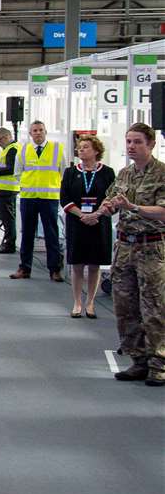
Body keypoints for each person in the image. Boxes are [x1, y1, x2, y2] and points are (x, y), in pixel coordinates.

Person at [98, 123, 165, 385]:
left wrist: (134, 207)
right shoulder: (125, 174)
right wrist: (104, 209)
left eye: (137, 142)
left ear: (150, 144)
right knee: (125, 307)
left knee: (154, 308)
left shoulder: (161, 174)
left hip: (152, 248)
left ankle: (158, 363)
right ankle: (137, 360)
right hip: (125, 248)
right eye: (128, 142)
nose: (131, 147)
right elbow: (112, 201)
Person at [61, 135, 115, 320]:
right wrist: (83, 215)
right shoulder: (70, 172)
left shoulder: (107, 172)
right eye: (79, 147)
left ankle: (90, 302)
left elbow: (112, 197)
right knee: (77, 264)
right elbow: (65, 198)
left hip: (99, 223)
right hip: (77, 222)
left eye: (85, 147)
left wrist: (96, 214)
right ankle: (77, 302)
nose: (81, 150)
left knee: (94, 264)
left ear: (96, 151)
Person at [10, 120, 65, 283]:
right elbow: (17, 172)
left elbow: (62, 172)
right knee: (27, 233)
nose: (38, 133)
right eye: (35, 130)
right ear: (30, 133)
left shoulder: (57, 149)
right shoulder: (24, 149)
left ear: (45, 131)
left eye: (41, 130)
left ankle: (54, 269)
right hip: (29, 197)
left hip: (49, 198)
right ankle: (24, 268)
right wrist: (29, 184)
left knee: (51, 234)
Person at [0, 127, 21, 254]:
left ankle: (9, 244)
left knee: (8, 219)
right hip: (5, 189)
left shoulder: (12, 149)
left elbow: (10, 169)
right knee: (7, 218)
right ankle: (8, 242)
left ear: (6, 137)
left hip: (7, 189)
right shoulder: (8, 149)